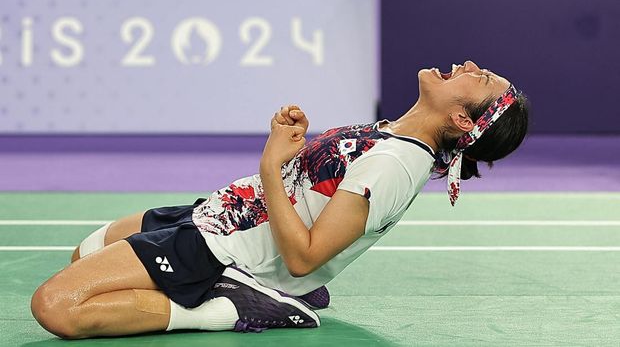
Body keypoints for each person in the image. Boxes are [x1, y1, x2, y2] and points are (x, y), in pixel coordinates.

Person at [30, 60, 529, 339]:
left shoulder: (395, 165)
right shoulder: (398, 139)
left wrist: (272, 164)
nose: (467, 65)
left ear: (464, 120)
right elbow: (317, 190)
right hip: (224, 215)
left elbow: (305, 254)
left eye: (479, 78)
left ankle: (228, 306)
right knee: (89, 251)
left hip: (231, 248)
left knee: (57, 306)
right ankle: (251, 292)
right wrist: (295, 147)